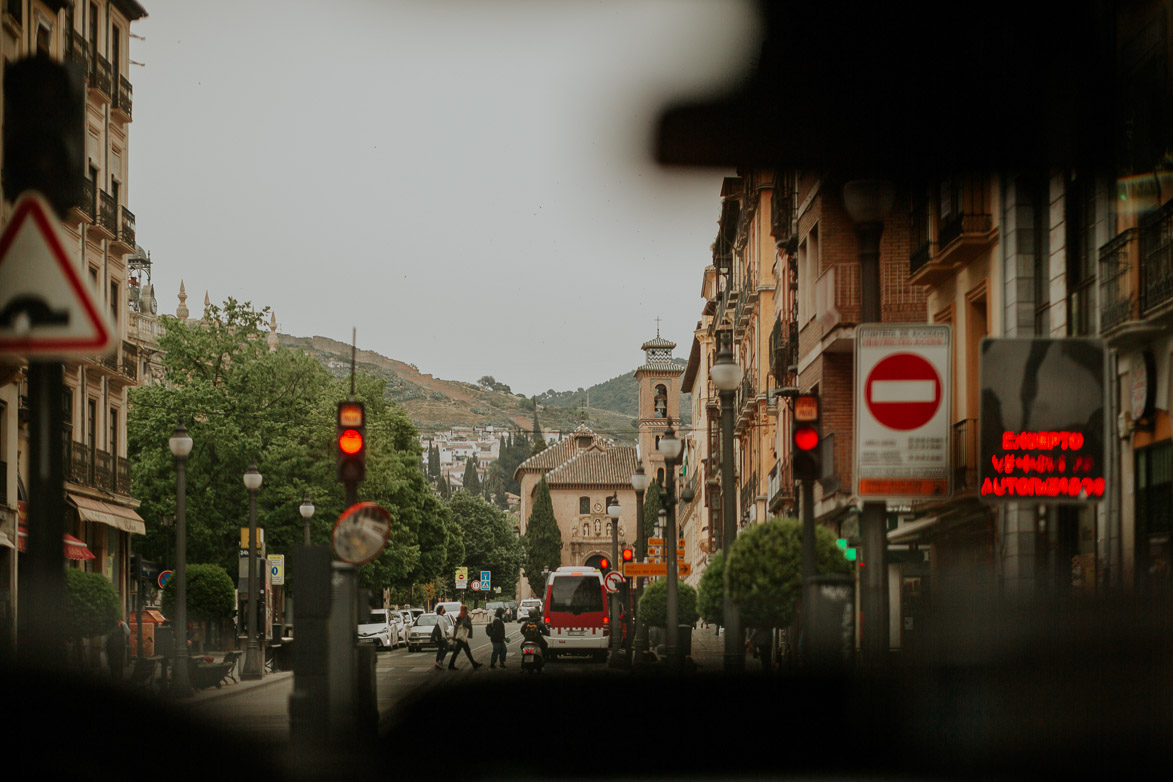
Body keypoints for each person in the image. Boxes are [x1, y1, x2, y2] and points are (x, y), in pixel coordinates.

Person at [448, 604, 482, 670]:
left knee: (459, 651)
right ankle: (474, 664)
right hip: (462, 636)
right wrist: (469, 623)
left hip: (460, 636)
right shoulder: (465, 616)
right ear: (465, 609)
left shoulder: (460, 615)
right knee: (465, 651)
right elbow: (466, 624)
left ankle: (451, 664)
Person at [433, 604, 453, 670]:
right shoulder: (440, 618)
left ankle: (438, 662)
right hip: (441, 635)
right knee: (447, 647)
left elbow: (445, 627)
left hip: (441, 634)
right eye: (443, 608)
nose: (444, 609)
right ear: (441, 610)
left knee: (441, 648)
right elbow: (441, 627)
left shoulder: (441, 617)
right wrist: (443, 636)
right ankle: (440, 661)